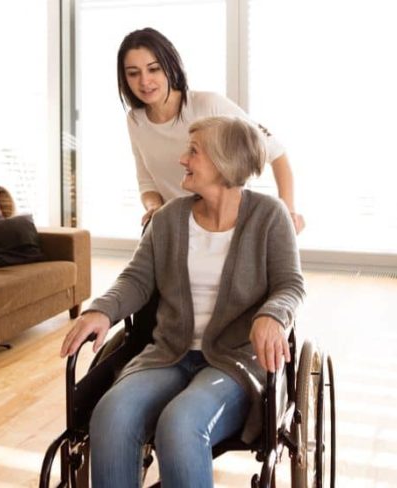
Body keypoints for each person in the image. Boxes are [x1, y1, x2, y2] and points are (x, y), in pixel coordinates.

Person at [60, 116, 305, 488]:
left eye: (194, 152)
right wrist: (102, 309)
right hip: (169, 354)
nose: (182, 160)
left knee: (181, 423)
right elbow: (136, 280)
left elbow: (290, 285)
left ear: (225, 162)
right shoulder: (169, 219)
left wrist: (271, 315)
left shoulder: (270, 217)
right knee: (110, 414)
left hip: (235, 364)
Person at [117, 27, 305, 233]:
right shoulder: (135, 120)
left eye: (153, 69)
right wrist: (155, 209)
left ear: (170, 66)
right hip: (177, 228)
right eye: (133, 73)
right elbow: (147, 183)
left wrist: (287, 212)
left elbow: (276, 153)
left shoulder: (208, 105)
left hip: (226, 226)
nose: (144, 81)